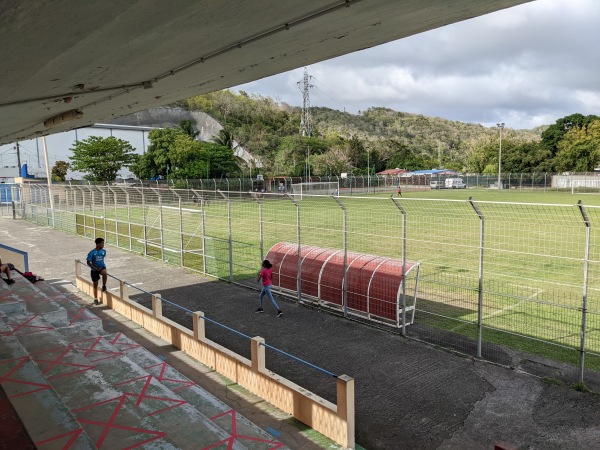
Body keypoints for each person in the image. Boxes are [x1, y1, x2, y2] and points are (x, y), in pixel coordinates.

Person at [87, 237, 107, 305]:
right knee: (95, 285)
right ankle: (95, 298)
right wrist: (95, 268)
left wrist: (101, 267)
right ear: (98, 244)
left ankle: (104, 285)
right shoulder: (92, 253)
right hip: (94, 269)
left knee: (105, 273)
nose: (103, 245)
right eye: (102, 243)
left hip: (101, 267)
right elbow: (88, 262)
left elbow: (102, 259)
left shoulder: (104, 252)